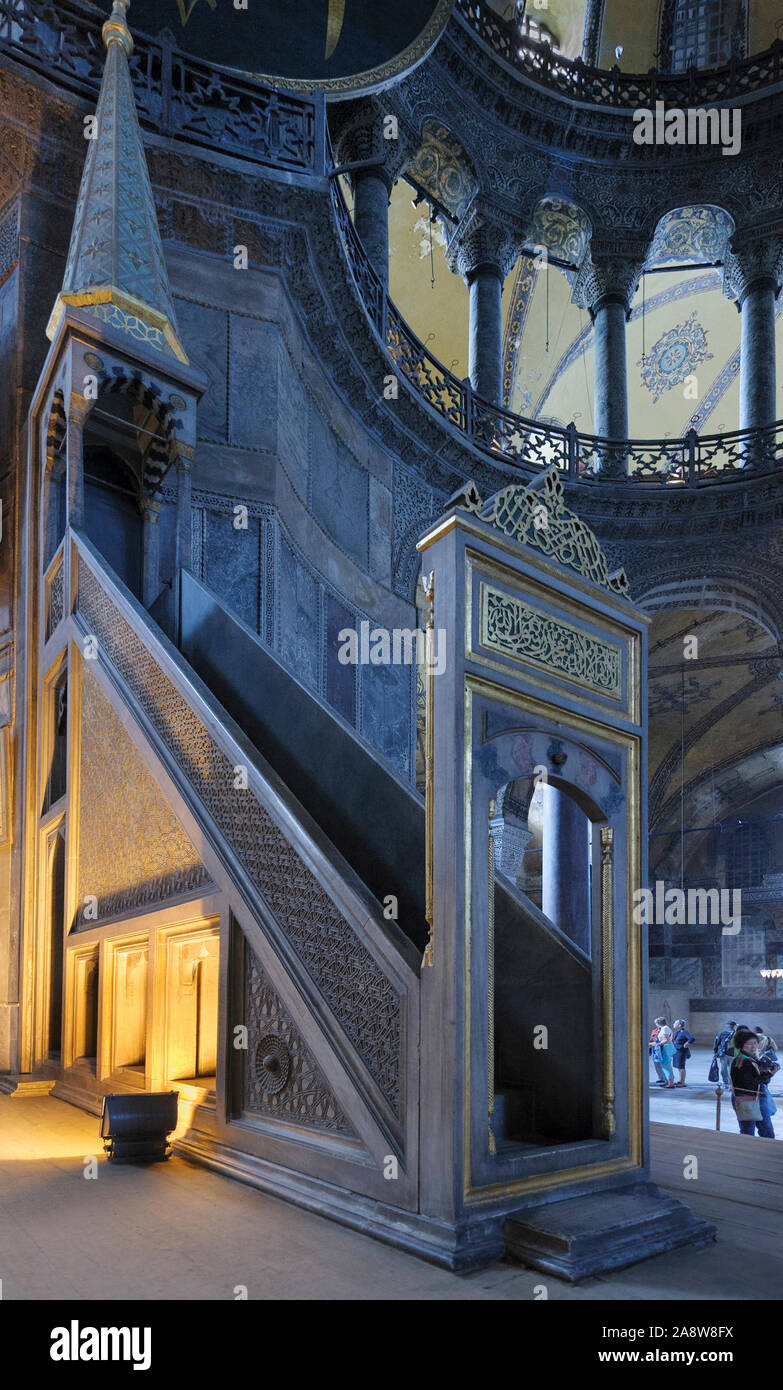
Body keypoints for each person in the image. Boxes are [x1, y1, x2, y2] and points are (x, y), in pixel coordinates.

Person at [730, 1026, 778, 1138]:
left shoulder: (751, 1058)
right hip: (748, 1099)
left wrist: (766, 1070)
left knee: (763, 1130)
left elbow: (759, 1080)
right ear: (741, 1044)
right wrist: (770, 1073)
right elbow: (750, 1082)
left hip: (754, 1098)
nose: (753, 1047)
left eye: (755, 1043)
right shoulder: (742, 1060)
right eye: (749, 1044)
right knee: (751, 1131)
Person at [712, 1019, 737, 1089]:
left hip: (724, 1054)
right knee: (731, 1070)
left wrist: (715, 1052)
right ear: (734, 1026)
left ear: (727, 1026)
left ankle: (726, 1083)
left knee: (723, 1070)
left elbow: (717, 1042)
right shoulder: (737, 1033)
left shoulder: (722, 1033)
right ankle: (730, 1084)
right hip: (733, 1054)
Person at [672, 1018, 695, 1087]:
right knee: (679, 1066)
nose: (673, 1024)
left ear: (679, 1025)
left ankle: (683, 1082)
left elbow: (691, 1038)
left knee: (681, 1067)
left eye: (675, 1023)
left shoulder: (684, 1032)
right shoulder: (678, 1032)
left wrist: (687, 1043)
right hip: (677, 1051)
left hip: (681, 1052)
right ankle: (680, 1081)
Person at [649, 1017, 667, 1084]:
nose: (656, 1025)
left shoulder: (665, 1030)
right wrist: (650, 1046)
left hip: (663, 1049)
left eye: (656, 1023)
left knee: (664, 1065)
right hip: (656, 1050)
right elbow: (651, 1040)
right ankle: (661, 1078)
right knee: (657, 1064)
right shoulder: (654, 1031)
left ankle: (667, 1079)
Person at [657, 1024, 676, 1088]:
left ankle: (671, 1083)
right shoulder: (664, 1028)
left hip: (666, 1047)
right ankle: (667, 1082)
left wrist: (658, 1044)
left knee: (667, 1066)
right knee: (664, 1066)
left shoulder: (665, 1028)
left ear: (658, 1023)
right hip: (666, 1047)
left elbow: (667, 1040)